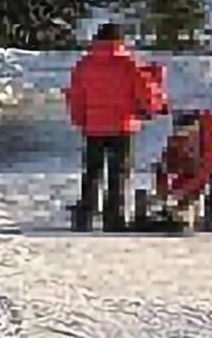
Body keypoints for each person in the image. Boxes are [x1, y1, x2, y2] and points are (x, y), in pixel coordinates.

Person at [64, 22, 163, 232]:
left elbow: (75, 96)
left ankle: (85, 216)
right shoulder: (129, 64)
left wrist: (80, 119)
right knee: (118, 173)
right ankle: (113, 219)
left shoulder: (84, 64)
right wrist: (153, 109)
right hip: (122, 126)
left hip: (93, 126)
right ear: (120, 40)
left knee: (92, 172)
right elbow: (145, 93)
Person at [156, 108, 212, 230]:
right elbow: (173, 165)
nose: (185, 138)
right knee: (191, 171)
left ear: (197, 127)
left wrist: (184, 190)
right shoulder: (178, 140)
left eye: (188, 134)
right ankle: (188, 213)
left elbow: (210, 166)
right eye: (181, 134)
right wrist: (167, 191)